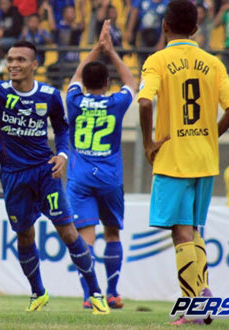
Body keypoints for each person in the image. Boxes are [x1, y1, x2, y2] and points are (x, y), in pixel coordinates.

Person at [0, 40, 111, 315]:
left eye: (21, 60)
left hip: (44, 173)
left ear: (35, 65)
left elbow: (62, 129)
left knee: (68, 232)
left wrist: (63, 155)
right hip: (13, 177)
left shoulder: (48, 95)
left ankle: (95, 293)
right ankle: (38, 292)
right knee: (24, 235)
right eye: (10, 59)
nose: (13, 64)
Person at [137, 0, 229, 325]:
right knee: (193, 231)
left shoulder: (158, 60)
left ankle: (196, 304)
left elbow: (143, 103)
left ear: (164, 26)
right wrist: (211, 136)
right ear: (196, 29)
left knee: (181, 232)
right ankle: (200, 292)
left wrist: (148, 142)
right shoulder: (213, 62)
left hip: (173, 159)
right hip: (205, 159)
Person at [66, 20, 136, 310]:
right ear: (107, 83)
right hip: (109, 178)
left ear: (85, 83)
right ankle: (113, 292)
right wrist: (112, 51)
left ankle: (89, 295)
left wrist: (96, 47)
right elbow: (133, 83)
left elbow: (74, 78)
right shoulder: (116, 103)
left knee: (85, 239)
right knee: (112, 234)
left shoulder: (74, 100)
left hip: (79, 178)